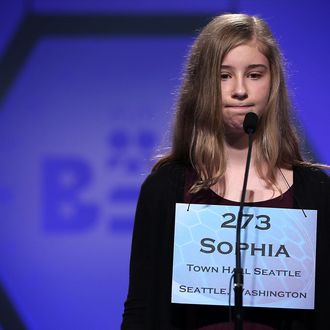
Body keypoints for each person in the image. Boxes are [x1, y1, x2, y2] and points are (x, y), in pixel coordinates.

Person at [121, 13, 330, 330]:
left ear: (273, 83)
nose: (240, 90)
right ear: (202, 85)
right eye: (224, 76)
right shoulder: (165, 187)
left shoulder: (315, 190)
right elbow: (141, 309)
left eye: (255, 75)